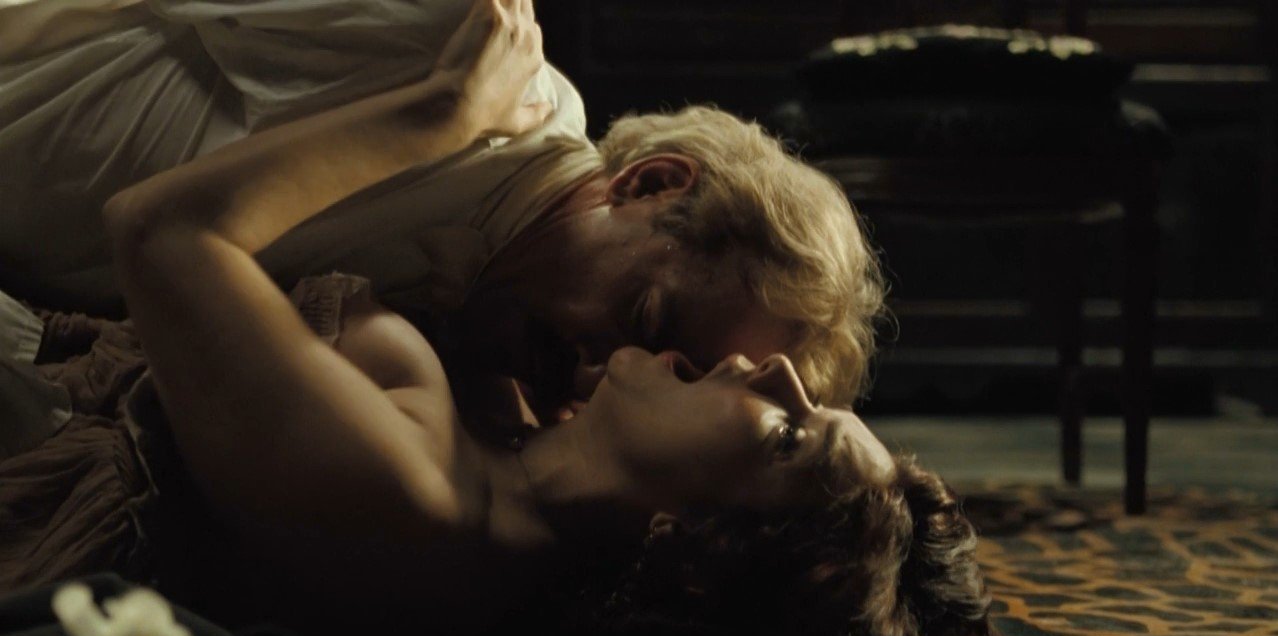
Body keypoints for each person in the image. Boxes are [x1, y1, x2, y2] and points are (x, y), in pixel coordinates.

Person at [0, 0, 999, 636]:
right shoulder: (507, 416)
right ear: (652, 186)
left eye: (789, 432)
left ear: (696, 540)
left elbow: (163, 236)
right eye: (653, 323)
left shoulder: (430, 505)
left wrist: (437, 118)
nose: (760, 372)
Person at [0, 0, 885, 430]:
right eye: (645, 319)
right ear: (649, 185)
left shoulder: (470, 346)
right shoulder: (451, 32)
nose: (604, 379)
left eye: (677, 374)